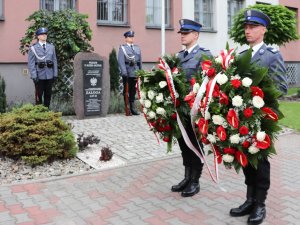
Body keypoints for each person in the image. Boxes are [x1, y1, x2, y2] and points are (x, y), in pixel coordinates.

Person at [229, 9, 288, 225]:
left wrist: (258, 102)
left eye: (253, 27)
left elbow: (281, 87)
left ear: (263, 29)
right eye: (246, 27)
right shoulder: (242, 55)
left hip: (261, 118)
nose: (248, 30)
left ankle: (260, 204)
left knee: (261, 161)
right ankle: (249, 199)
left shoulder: (272, 54)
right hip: (243, 119)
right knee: (246, 158)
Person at [171, 19, 212, 197]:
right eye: (181, 33)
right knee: (183, 144)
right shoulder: (179, 56)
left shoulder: (204, 55)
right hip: (180, 110)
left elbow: (208, 84)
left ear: (195, 35)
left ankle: (195, 181)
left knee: (195, 145)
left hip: (194, 111)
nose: (182, 35)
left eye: (186, 33)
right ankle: (187, 177)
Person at [28, 27, 58, 108]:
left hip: (49, 75)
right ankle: (40, 113)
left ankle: (47, 112)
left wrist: (55, 74)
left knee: (48, 95)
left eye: (45, 34)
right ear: (38, 36)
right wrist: (34, 76)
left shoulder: (51, 47)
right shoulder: (33, 48)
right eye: (42, 34)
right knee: (39, 96)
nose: (44, 36)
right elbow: (31, 64)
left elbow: (54, 60)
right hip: (39, 76)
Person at [118, 30, 142, 116]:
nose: (131, 38)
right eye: (130, 37)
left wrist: (140, 72)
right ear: (126, 38)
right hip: (127, 73)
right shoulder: (123, 48)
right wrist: (124, 72)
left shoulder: (137, 48)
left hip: (135, 72)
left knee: (133, 91)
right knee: (126, 90)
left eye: (132, 36)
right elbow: (121, 61)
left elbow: (140, 61)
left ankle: (132, 107)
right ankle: (127, 107)